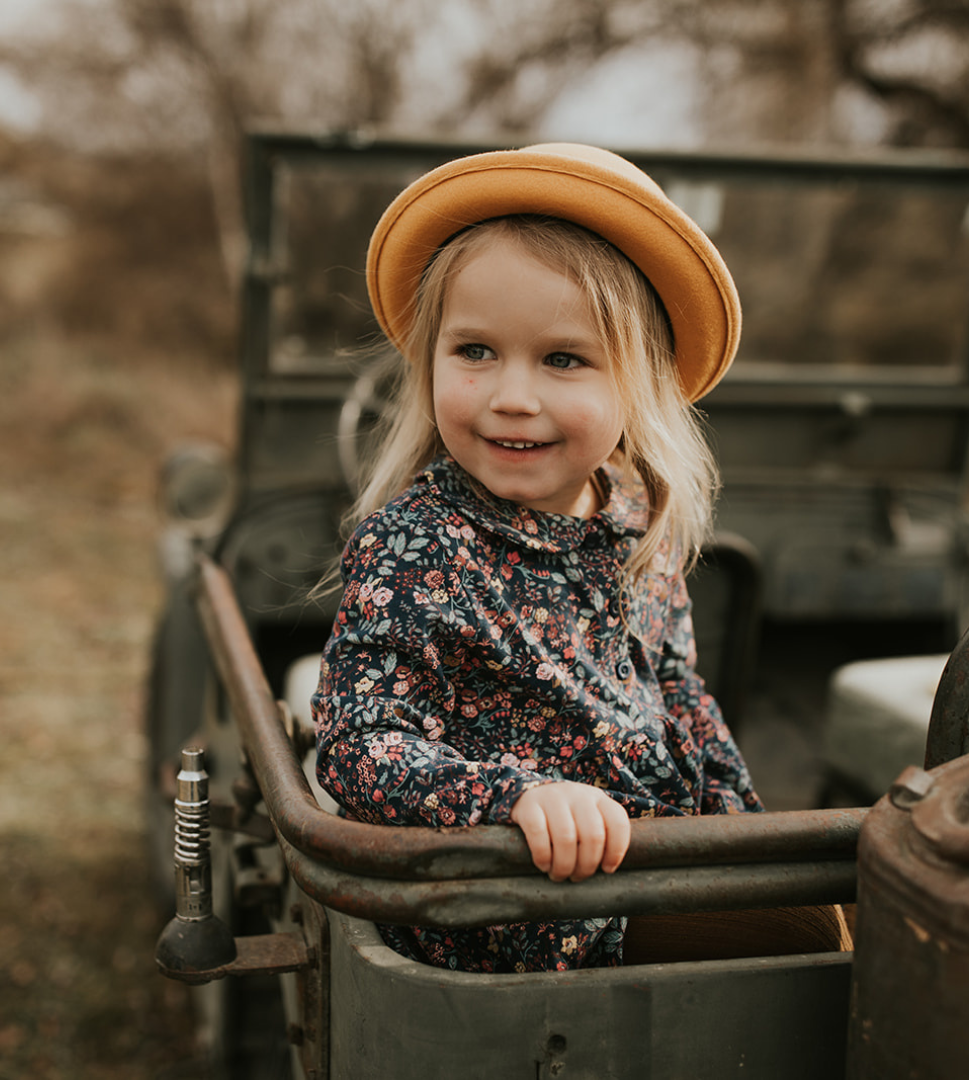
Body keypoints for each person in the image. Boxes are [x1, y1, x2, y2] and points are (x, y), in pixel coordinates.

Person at [312, 143, 765, 974]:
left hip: (649, 870)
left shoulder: (638, 517)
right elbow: (359, 745)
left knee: (846, 918)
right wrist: (516, 798)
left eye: (562, 359)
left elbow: (674, 686)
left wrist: (739, 825)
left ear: (638, 383)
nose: (512, 396)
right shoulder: (418, 546)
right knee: (824, 947)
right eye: (475, 351)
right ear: (430, 358)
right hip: (519, 919)